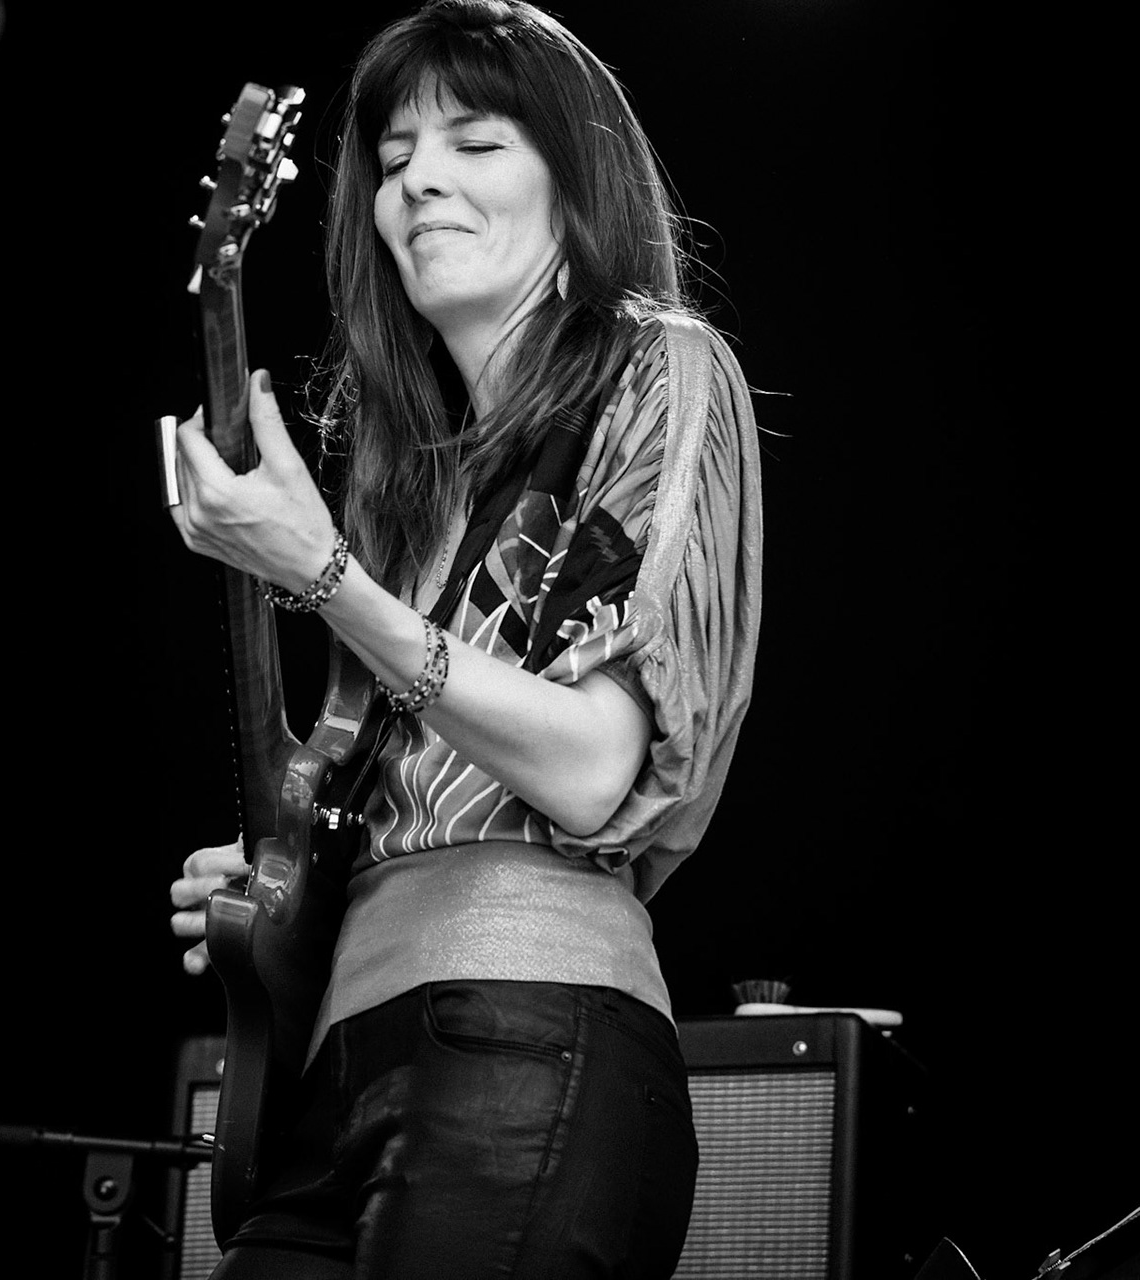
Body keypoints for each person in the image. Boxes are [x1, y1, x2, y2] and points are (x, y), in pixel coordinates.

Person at [165, 2, 762, 1276]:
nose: (419, 177)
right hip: (337, 1073)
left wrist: (319, 572)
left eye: (475, 143)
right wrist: (285, 888)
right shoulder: (413, 491)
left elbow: (598, 768)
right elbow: (421, 785)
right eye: (391, 159)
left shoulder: (658, 367)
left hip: (526, 1034)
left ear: (574, 177)